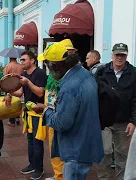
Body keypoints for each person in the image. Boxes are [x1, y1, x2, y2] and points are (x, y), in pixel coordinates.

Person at [33, 42, 104, 180]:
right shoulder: (84, 73)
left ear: (56, 65)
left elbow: (61, 123)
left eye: (47, 65)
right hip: (84, 142)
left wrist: (46, 110)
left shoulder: (70, 86)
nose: (48, 70)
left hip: (75, 149)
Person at [97, 43, 136, 180]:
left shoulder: (135, 73)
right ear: (112, 55)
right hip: (104, 121)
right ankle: (103, 178)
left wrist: (134, 121)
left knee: (123, 154)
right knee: (104, 151)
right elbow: (95, 94)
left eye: (122, 55)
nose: (119, 57)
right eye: (117, 54)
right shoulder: (102, 71)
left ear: (126, 55)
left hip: (125, 121)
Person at [37, 39, 76, 180]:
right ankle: (58, 175)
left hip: (62, 117)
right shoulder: (53, 75)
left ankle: (63, 176)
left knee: (64, 150)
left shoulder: (71, 76)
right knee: (54, 148)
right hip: (52, 116)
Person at [8, 51, 47, 180]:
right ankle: (32, 164)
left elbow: (41, 93)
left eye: (24, 60)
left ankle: (39, 169)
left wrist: (28, 82)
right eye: (21, 60)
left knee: (37, 142)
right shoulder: (23, 74)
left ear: (32, 61)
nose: (22, 62)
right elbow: (20, 93)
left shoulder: (40, 73)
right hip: (28, 112)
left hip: (38, 113)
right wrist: (8, 91)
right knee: (30, 141)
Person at [3, 57, 24, 126]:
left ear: (9, 58)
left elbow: (4, 76)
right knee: (17, 101)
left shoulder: (8, 66)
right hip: (19, 85)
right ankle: (17, 117)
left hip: (10, 86)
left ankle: (11, 121)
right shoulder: (20, 66)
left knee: (10, 102)